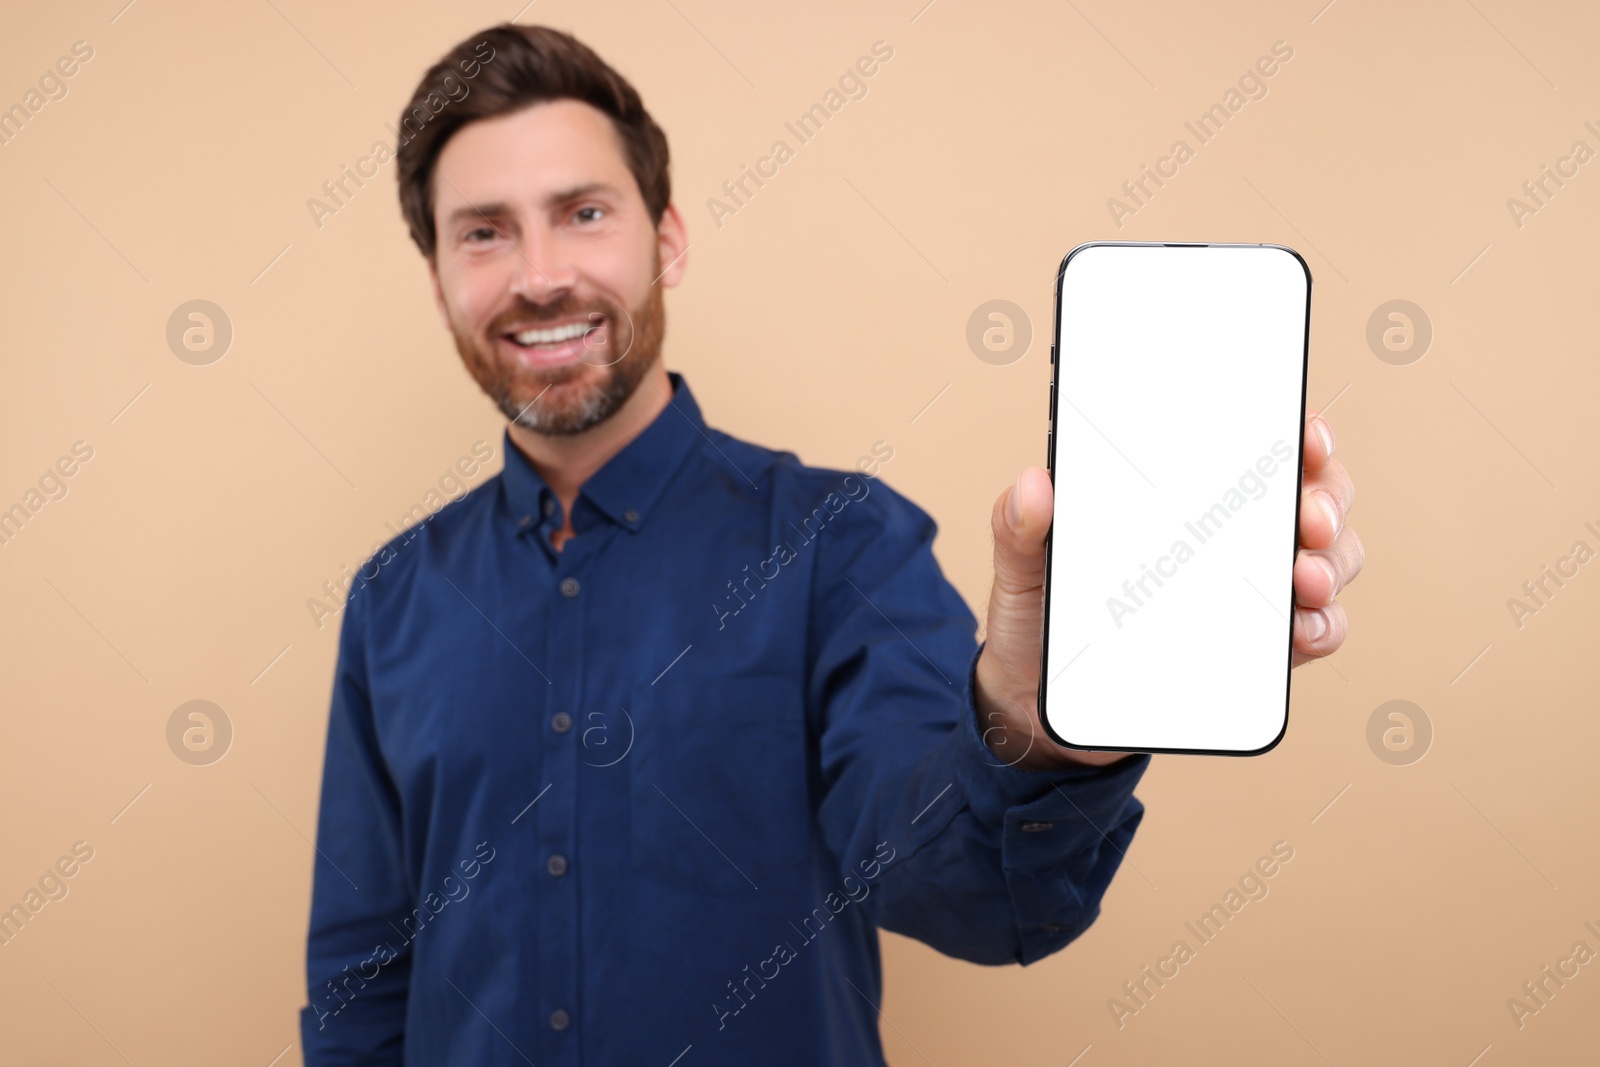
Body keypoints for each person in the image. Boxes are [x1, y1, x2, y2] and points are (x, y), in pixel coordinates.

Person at [298, 23, 1362, 1066]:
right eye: (482, 231)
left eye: (582, 212)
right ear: (435, 273)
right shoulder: (393, 596)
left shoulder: (836, 540)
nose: (538, 275)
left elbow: (958, 888)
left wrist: (1032, 731)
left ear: (665, 236)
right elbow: (360, 984)